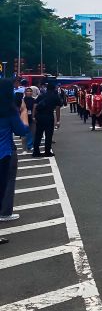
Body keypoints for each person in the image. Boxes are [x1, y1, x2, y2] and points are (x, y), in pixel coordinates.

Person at [0, 78, 29, 231]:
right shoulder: (9, 111)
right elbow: (22, 130)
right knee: (5, 185)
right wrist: (23, 112)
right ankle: (5, 212)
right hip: (4, 153)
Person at [33, 82, 60, 157]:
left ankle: (36, 152)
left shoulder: (41, 95)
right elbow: (57, 108)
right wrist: (58, 120)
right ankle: (47, 152)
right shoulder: (55, 96)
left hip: (39, 116)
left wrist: (33, 116)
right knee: (48, 135)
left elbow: (35, 105)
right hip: (49, 116)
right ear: (54, 89)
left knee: (38, 134)